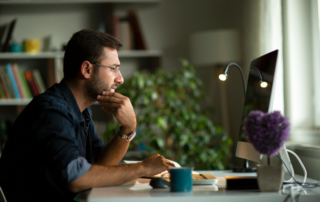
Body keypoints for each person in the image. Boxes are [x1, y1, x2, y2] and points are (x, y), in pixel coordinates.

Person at [0, 29, 174, 202]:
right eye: (114, 69)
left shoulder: (81, 110)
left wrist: (128, 129)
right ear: (86, 69)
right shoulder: (52, 111)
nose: (120, 79)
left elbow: (101, 167)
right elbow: (76, 179)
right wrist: (142, 168)